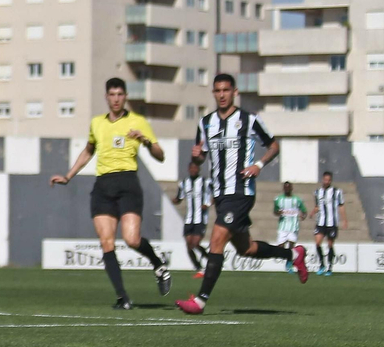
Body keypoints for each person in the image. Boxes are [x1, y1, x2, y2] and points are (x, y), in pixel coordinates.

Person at [176, 74, 309, 314]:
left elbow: (274, 145)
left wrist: (258, 164)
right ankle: (293, 253)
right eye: (218, 91)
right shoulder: (205, 123)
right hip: (220, 196)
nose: (222, 95)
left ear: (234, 92)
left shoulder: (248, 120)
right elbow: (201, 156)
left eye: (226, 90)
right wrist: (197, 154)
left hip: (240, 192)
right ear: (214, 93)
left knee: (216, 240)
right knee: (246, 248)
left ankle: (200, 301)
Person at [49, 78, 173, 309]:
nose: (116, 99)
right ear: (106, 97)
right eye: (112, 94)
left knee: (132, 239)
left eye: (120, 94)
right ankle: (122, 297)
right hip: (103, 186)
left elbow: (160, 155)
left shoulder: (138, 121)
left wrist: (146, 141)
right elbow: (88, 151)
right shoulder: (97, 123)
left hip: (128, 183)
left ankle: (158, 264)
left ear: (125, 97)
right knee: (106, 242)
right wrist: (68, 175)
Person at [174, 161, 212, 278]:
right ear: (188, 169)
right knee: (189, 245)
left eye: (195, 168)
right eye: (191, 168)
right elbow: (179, 197)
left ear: (198, 169)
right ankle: (198, 267)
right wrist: (175, 200)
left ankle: (211, 261)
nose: (193, 170)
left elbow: (215, 195)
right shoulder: (184, 183)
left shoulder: (206, 182)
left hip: (200, 218)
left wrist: (208, 204)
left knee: (195, 243)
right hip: (189, 219)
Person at [311, 172, 346, 276]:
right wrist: (313, 212)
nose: (326, 182)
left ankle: (329, 267)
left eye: (328, 180)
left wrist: (345, 220)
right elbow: (317, 206)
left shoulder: (337, 192)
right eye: (325, 179)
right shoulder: (317, 192)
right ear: (322, 179)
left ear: (331, 181)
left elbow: (341, 206)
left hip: (332, 223)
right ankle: (322, 265)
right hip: (320, 222)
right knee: (317, 243)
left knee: (330, 244)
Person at [274, 182, 305, 273]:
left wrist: (303, 215)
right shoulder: (278, 199)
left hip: (293, 226)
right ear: (283, 189)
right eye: (285, 187)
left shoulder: (297, 200)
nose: (287, 189)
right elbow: (275, 211)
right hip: (282, 226)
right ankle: (288, 258)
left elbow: (303, 210)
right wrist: (278, 213)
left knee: (291, 245)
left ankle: (289, 262)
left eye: (288, 187)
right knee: (281, 246)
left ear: (291, 188)